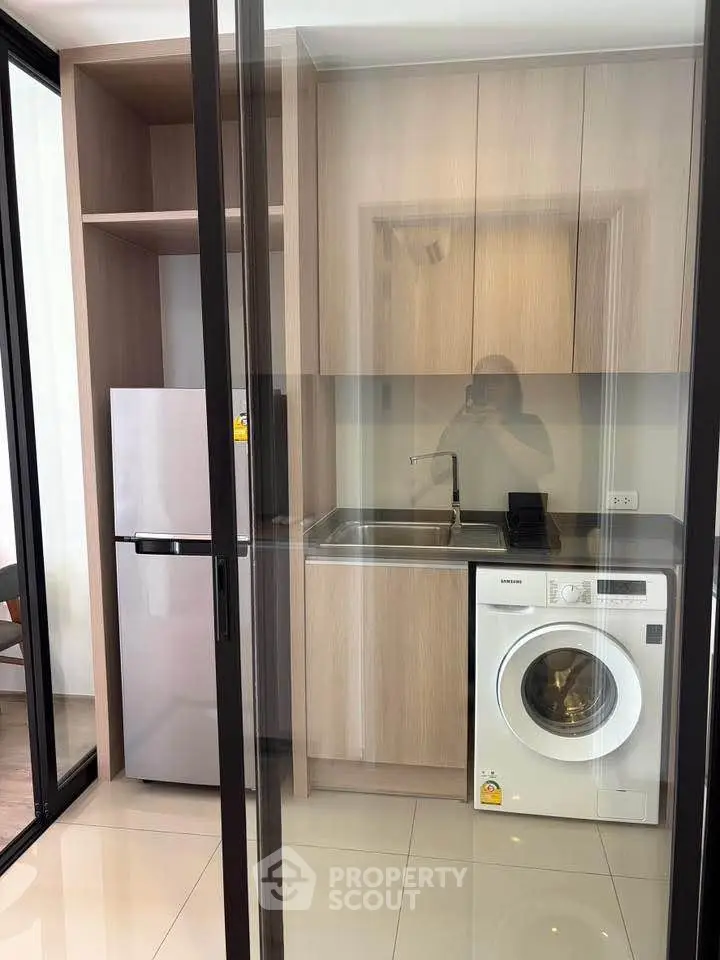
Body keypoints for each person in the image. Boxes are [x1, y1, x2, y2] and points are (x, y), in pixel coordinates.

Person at [431, 355, 553, 508]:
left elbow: (541, 468)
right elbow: (437, 474)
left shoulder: (529, 423)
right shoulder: (462, 425)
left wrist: (497, 430)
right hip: (473, 516)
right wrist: (458, 427)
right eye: (483, 382)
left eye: (497, 380)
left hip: (520, 519)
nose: (489, 387)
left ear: (512, 386)